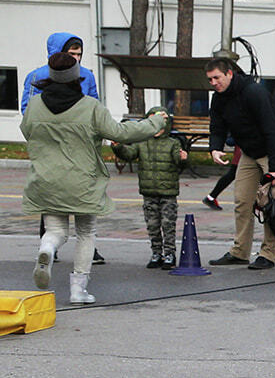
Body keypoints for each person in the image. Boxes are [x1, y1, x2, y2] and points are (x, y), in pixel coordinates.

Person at [22, 53, 167, 303]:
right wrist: (153, 123)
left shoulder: (34, 105)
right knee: (86, 232)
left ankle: (47, 248)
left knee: (56, 230)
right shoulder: (90, 107)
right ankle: (78, 290)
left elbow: (27, 131)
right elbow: (121, 132)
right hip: (82, 182)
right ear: (77, 77)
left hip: (45, 180)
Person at [22, 31, 106, 265]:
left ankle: (76, 246)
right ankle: (49, 244)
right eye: (72, 54)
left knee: (79, 194)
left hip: (80, 145)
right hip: (50, 144)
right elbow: (27, 110)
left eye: (79, 53)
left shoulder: (87, 75)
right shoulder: (37, 76)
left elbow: (94, 104)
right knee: (51, 194)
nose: (77, 58)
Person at [204, 56, 275, 270]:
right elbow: (217, 126)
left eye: (217, 78)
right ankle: (240, 251)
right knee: (242, 200)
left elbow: (271, 129)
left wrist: (274, 170)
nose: (214, 83)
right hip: (249, 152)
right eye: (210, 80)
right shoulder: (218, 98)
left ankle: (268, 254)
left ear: (229, 74)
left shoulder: (254, 92)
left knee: (270, 202)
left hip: (273, 149)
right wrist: (215, 148)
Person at [111, 106, 188, 270]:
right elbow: (129, 154)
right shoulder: (142, 143)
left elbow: (178, 161)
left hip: (168, 193)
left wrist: (182, 158)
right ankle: (156, 253)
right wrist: (118, 147)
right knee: (152, 225)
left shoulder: (173, 143)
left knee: (168, 225)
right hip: (148, 192)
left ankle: (169, 253)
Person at [202, 138, 239, 210]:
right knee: (233, 174)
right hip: (247, 148)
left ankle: (211, 197)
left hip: (245, 147)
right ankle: (211, 197)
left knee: (232, 174)